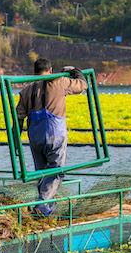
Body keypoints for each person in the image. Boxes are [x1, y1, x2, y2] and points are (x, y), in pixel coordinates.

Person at [16, 58, 87, 216]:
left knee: (41, 172)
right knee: (56, 170)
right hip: (55, 134)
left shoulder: (26, 90)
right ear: (50, 70)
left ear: (34, 71)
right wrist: (77, 73)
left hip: (35, 137)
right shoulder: (59, 82)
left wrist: (16, 139)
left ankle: (47, 206)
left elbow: (18, 116)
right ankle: (42, 205)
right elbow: (82, 85)